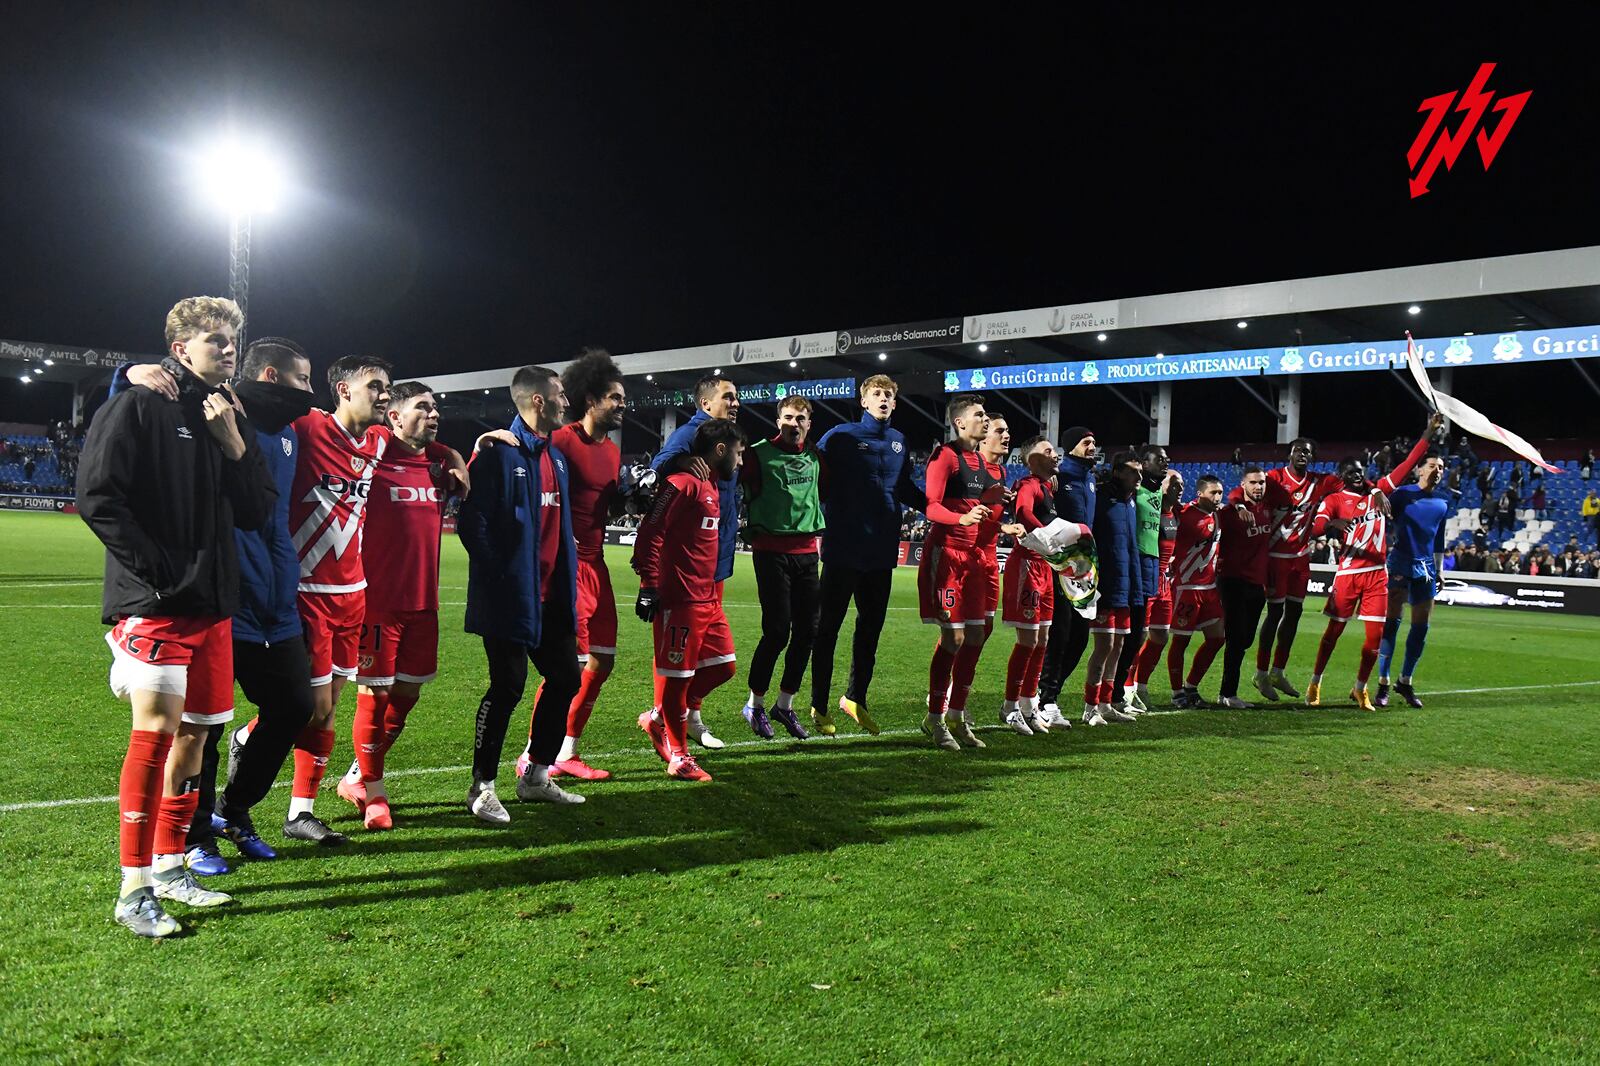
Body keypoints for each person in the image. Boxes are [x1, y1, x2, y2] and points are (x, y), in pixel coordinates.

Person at [76, 296, 274, 936]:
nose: (228, 349)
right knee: (155, 733)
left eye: (232, 340)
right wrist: (157, 573)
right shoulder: (139, 403)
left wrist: (233, 443)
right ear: (181, 347)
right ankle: (132, 889)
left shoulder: (227, 414)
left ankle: (167, 864)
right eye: (215, 339)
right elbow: (97, 496)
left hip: (214, 608)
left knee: (197, 738)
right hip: (155, 607)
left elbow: (256, 512)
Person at [122, 337, 322, 869]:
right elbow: (153, 405)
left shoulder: (292, 434)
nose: (311, 390)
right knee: (201, 729)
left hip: (277, 600)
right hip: (222, 597)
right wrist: (128, 371)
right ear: (273, 378)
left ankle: (233, 809)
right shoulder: (214, 409)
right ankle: (193, 837)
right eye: (303, 379)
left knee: (294, 707)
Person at [458, 365, 586, 821]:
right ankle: (481, 786)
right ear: (537, 400)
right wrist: (501, 578)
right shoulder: (495, 453)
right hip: (511, 597)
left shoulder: (557, 458)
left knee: (567, 679)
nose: (566, 403)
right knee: (509, 686)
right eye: (560, 394)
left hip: (551, 596)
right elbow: (473, 524)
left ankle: (535, 776)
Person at [334, 382, 456, 830]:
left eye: (436, 406)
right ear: (395, 418)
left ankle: (354, 776)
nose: (434, 412)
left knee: (406, 697)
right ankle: (374, 791)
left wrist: (460, 455)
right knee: (374, 694)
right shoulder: (373, 462)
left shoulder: (439, 468)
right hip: (378, 604)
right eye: (422, 407)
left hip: (424, 605)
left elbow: (440, 449)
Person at [509, 350, 629, 780]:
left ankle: (566, 751)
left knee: (603, 661)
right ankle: (532, 753)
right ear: (591, 399)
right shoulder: (563, 439)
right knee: (569, 667)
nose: (622, 405)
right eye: (615, 397)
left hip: (598, 567)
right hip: (567, 569)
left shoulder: (612, 451)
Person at [808, 374, 926, 734]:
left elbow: (903, 486)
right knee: (827, 628)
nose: (884, 399)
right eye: (877, 394)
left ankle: (855, 699)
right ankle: (819, 704)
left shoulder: (898, 441)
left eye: (889, 394)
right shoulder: (840, 436)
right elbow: (814, 476)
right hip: (843, 548)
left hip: (881, 551)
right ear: (864, 401)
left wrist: (938, 506)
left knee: (870, 630)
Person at [632, 419, 746, 781]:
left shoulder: (711, 483)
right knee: (678, 679)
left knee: (724, 666)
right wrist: (649, 586)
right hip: (679, 599)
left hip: (707, 597)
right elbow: (649, 533)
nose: (741, 462)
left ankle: (658, 716)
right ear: (721, 449)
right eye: (739, 453)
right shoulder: (682, 484)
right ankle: (679, 757)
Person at [1305, 416, 1441, 710]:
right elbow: (1315, 528)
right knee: (1334, 633)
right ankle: (1315, 682)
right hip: (1348, 574)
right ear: (1342, 475)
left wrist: (1428, 432)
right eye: (1351, 472)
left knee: (1374, 639)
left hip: (1378, 575)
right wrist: (1333, 524)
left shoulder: (1379, 490)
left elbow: (1407, 464)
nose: (1358, 476)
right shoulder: (1334, 500)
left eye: (1361, 471)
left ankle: (1360, 688)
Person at [650, 375, 740, 748]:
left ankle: (687, 716)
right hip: (690, 569)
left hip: (715, 562)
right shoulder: (691, 434)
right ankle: (664, 715)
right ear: (705, 404)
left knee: (707, 653)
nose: (736, 402)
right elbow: (661, 465)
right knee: (679, 649)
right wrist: (686, 459)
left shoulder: (726, 438)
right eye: (728, 397)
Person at [739, 394, 824, 741]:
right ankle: (754, 705)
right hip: (771, 551)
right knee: (777, 631)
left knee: (808, 633)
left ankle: (784, 706)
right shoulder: (757, 454)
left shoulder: (816, 456)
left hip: (808, 554)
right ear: (778, 421)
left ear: (808, 424)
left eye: (800, 418)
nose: (794, 424)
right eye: (788, 417)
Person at [919, 394, 1001, 750]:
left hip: (973, 561)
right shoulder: (945, 456)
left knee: (976, 637)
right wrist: (961, 518)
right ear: (959, 422)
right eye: (979, 415)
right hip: (947, 557)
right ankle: (935, 719)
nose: (985, 421)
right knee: (953, 639)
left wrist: (997, 500)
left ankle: (957, 715)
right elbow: (931, 507)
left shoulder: (978, 461)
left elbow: (977, 503)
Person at [1249, 438, 1344, 702]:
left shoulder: (1319, 481)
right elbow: (1245, 491)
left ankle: (1278, 671)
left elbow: (1350, 483)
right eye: (1298, 450)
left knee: (1294, 613)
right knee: (1275, 613)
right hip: (1276, 557)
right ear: (1290, 453)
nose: (1303, 454)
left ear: (1313, 457)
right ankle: (1260, 673)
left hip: (1301, 559)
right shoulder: (1274, 478)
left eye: (1308, 452)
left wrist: (1375, 491)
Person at [1000, 437, 1064, 734]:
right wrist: (1048, 535)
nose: (1055, 455)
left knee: (1041, 640)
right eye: (1048, 451)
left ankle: (1028, 703)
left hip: (1044, 565)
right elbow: (1023, 512)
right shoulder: (1028, 484)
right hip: (1027, 564)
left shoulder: (1047, 486)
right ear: (1031, 459)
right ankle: (1010, 706)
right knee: (1028, 640)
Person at [1036, 426, 1097, 725]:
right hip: (1061, 564)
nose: (1092, 446)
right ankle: (1045, 699)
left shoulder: (1091, 479)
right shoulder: (1063, 477)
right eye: (1086, 442)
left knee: (1080, 637)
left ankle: (1049, 693)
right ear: (1071, 447)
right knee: (1060, 633)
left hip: (1084, 567)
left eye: (1094, 442)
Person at [1083, 452, 1144, 725]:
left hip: (1125, 584)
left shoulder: (1130, 502)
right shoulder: (1102, 497)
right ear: (1118, 471)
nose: (1139, 477)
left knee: (1118, 644)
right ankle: (1089, 707)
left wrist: (1135, 586)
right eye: (1134, 472)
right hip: (1106, 584)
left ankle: (1106, 703)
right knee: (1104, 645)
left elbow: (1130, 547)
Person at [1121, 445, 1182, 712]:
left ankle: (1141, 686)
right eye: (1174, 483)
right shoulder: (1139, 494)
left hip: (1163, 580)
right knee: (1138, 634)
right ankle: (1126, 689)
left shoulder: (1175, 513)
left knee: (1160, 636)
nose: (1178, 487)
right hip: (1145, 574)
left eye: (1181, 484)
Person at [1166, 476, 1227, 708]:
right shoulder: (1185, 513)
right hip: (1187, 588)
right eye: (1213, 493)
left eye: (1220, 492)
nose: (1218, 497)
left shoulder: (1219, 515)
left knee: (1217, 638)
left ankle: (1191, 687)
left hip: (1210, 588)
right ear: (1200, 493)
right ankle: (1176, 692)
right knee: (1180, 642)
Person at [1216, 467, 1273, 708]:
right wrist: (1238, 504)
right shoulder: (1229, 513)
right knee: (1236, 639)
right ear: (1243, 485)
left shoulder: (1268, 510)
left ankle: (1228, 692)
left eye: (1261, 482)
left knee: (1246, 640)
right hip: (1232, 581)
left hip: (1256, 585)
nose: (1258, 486)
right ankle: (1227, 693)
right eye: (1253, 482)